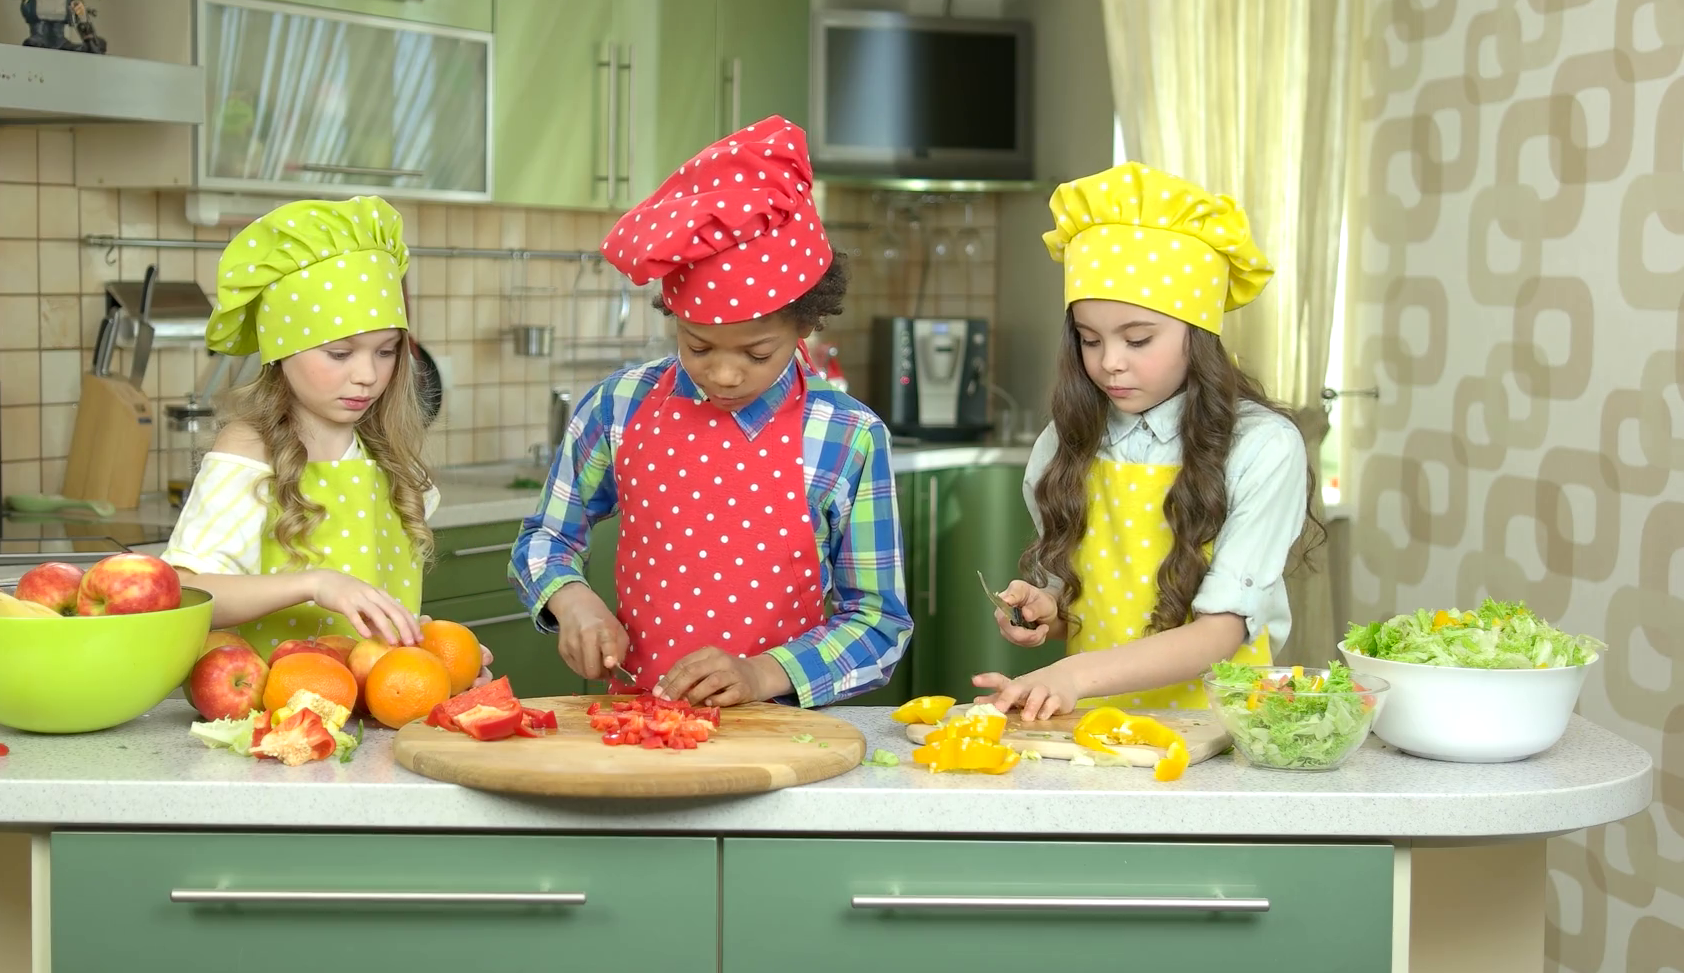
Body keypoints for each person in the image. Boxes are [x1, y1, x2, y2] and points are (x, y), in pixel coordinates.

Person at [509, 116, 913, 709]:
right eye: (698, 346)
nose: (723, 375)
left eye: (756, 353)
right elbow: (546, 537)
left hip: (783, 733)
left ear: (806, 324)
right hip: (638, 725)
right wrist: (572, 601)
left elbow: (878, 625)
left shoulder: (848, 435)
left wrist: (760, 674)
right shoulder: (618, 406)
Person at [977, 161, 1319, 720]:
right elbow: (1081, 602)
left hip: (1216, 730)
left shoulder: (1262, 447)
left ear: (1199, 334)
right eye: (1089, 340)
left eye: (1138, 340)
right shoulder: (1064, 443)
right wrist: (1048, 609)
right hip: (1094, 728)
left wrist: (1071, 675)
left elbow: (1220, 632)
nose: (1110, 362)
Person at [161, 196, 489, 685]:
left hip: (373, 713)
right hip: (274, 714)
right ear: (282, 351)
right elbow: (187, 594)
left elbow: (369, 618)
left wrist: (436, 654)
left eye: (386, 351)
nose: (367, 375)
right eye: (340, 354)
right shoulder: (249, 449)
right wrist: (315, 584)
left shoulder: (384, 457)